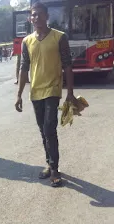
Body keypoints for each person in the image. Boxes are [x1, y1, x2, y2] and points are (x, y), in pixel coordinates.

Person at [15, 2, 78, 187]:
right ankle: (49, 164)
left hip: (53, 89)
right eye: (33, 15)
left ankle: (55, 168)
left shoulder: (59, 37)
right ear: (30, 18)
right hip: (35, 91)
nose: (36, 18)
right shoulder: (27, 41)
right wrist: (19, 94)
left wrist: (70, 93)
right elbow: (23, 68)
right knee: (43, 130)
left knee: (50, 128)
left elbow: (67, 65)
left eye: (40, 15)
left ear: (47, 17)